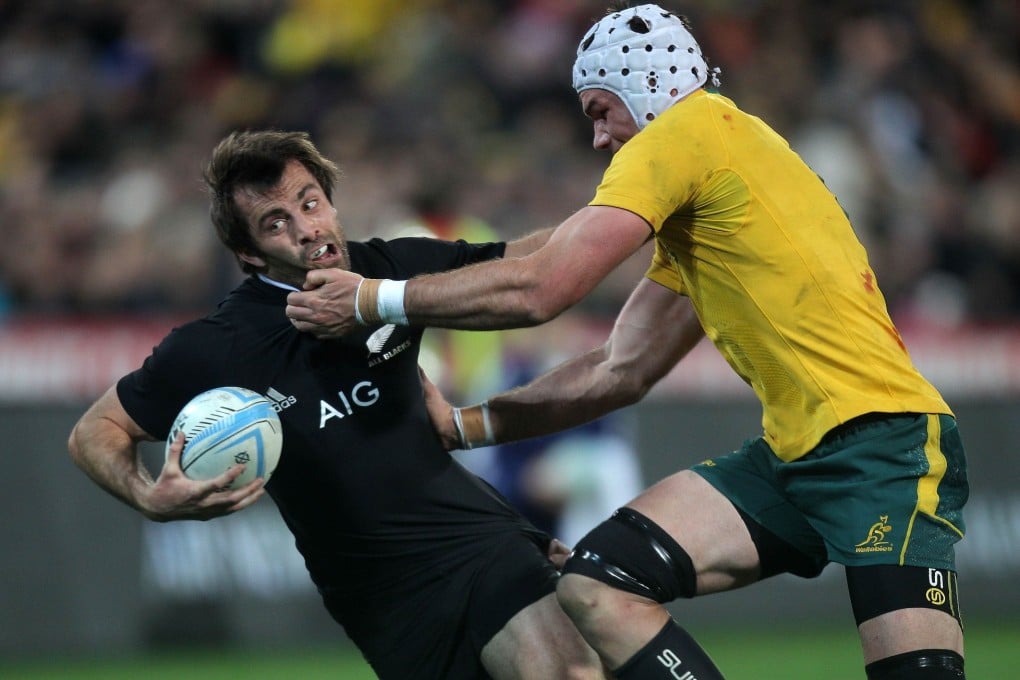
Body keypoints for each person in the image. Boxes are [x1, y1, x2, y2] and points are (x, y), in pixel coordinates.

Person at [284, 4, 970, 679]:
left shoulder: (677, 137)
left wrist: (375, 300)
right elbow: (622, 367)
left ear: (646, 88)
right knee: (598, 584)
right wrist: (463, 427)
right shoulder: (720, 165)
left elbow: (542, 289)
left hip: (884, 441)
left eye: (600, 111)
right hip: (795, 457)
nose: (600, 139)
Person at [66, 129, 610, 680]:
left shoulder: (392, 267)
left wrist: (629, 209)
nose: (308, 230)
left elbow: (534, 260)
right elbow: (95, 430)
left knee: (569, 674)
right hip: (380, 601)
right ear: (249, 254)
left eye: (310, 202)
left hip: (479, 543)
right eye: (276, 222)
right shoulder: (215, 346)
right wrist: (148, 497)